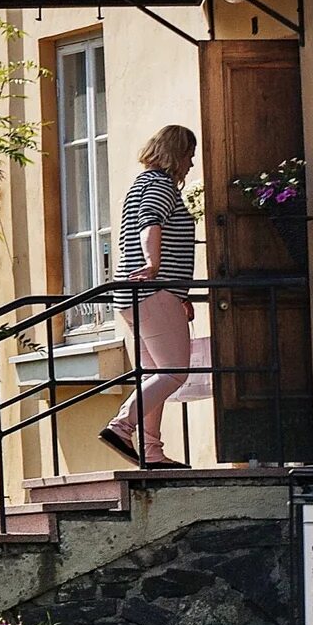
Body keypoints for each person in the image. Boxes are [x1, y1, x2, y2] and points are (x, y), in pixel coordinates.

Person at [101, 124, 200, 468]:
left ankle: (152, 452)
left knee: (155, 374)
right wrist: (154, 264)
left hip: (137, 295)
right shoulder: (159, 185)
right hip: (153, 290)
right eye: (189, 155)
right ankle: (121, 426)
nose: (190, 164)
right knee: (174, 372)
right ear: (177, 152)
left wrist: (179, 291)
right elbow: (150, 222)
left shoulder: (141, 184)